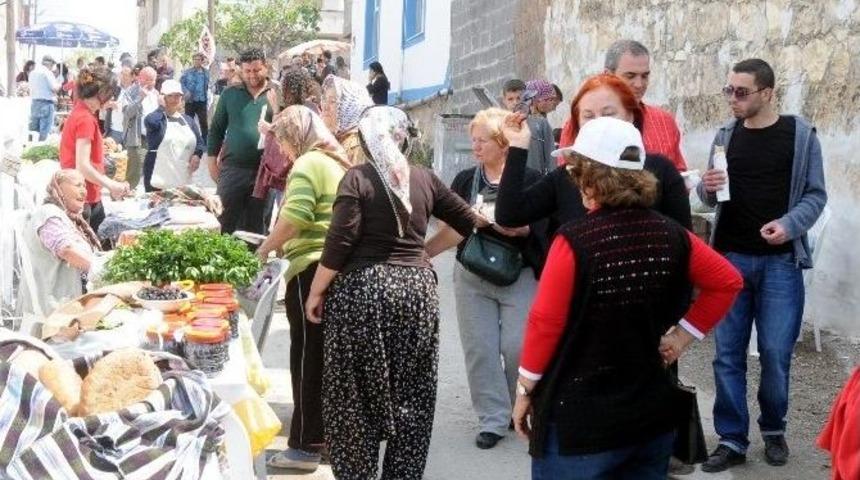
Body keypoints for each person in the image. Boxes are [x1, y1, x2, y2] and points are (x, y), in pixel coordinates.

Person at [509, 115, 743, 479]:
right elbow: (727, 281)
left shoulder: (574, 240)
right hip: (649, 415)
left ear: (589, 177)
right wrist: (682, 335)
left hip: (581, 422)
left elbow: (545, 323)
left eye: (575, 170)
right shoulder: (672, 233)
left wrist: (525, 388)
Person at [304, 106, 480, 479]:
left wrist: (316, 291)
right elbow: (468, 221)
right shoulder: (425, 178)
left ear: (366, 139)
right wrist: (424, 252)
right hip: (416, 292)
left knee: (352, 395)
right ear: (403, 136)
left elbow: (340, 240)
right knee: (413, 393)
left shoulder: (358, 178)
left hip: (362, 291)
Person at [696, 58, 828, 473]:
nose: (732, 99)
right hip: (730, 262)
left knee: (774, 353)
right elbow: (708, 196)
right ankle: (732, 438)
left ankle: (773, 430)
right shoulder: (725, 135)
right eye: (728, 90)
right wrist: (706, 187)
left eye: (742, 92)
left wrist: (789, 225)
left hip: (781, 264)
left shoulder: (800, 136)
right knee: (727, 355)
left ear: (768, 93)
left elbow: (815, 195)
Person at [425, 107, 547, 450]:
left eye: (482, 141)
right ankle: (493, 419)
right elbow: (450, 228)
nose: (475, 147)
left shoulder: (532, 179)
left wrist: (522, 228)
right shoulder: (466, 180)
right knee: (480, 349)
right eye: (473, 140)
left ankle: (518, 408)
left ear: (503, 142)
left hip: (519, 273)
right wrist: (424, 254)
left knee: (518, 345)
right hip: (472, 274)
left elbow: (547, 226)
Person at [255, 106, 350, 472]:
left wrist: (264, 249)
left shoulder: (309, 164)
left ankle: (305, 446)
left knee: (307, 359)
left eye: (282, 142)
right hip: (334, 269)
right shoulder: (335, 161)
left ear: (294, 136)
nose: (283, 150)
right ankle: (325, 439)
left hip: (310, 268)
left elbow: (295, 219)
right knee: (325, 360)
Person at [496, 73, 692, 234]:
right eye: (588, 116)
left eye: (608, 114)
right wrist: (518, 145)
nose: (599, 124)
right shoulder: (566, 176)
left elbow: (686, 247)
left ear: (630, 116)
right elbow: (509, 215)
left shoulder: (661, 171)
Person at [571, 39, 687, 172]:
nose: (639, 84)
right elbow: (566, 180)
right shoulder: (583, 122)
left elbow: (679, 171)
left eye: (644, 76)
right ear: (608, 75)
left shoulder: (665, 122)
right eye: (630, 76)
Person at [207, 48, 276, 234]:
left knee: (256, 228)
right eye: (247, 71)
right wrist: (212, 163)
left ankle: (253, 263)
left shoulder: (277, 94)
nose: (252, 75)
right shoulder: (230, 94)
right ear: (241, 70)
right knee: (223, 222)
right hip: (233, 170)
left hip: (265, 173)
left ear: (266, 68)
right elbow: (216, 130)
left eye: (257, 70)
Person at [20, 170, 103, 317]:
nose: (84, 191)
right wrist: (102, 269)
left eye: (84, 186)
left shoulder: (69, 217)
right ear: (59, 188)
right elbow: (66, 249)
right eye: (78, 185)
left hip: (70, 299)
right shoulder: (49, 214)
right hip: (54, 307)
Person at [59, 67, 130, 233]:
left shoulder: (80, 111)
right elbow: (82, 166)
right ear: (103, 92)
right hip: (85, 197)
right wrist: (111, 185)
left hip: (80, 194)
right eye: (110, 93)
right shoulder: (85, 119)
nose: (111, 97)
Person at [253, 68, 323, 203]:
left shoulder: (294, 111)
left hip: (292, 175)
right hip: (308, 173)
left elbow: (287, 140)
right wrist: (275, 110)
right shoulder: (313, 109)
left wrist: (269, 130)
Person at [142, 79, 204, 191]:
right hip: (158, 178)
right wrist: (161, 107)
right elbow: (150, 122)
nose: (175, 99)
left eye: (178, 96)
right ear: (163, 97)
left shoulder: (188, 120)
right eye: (170, 96)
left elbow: (199, 142)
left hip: (182, 177)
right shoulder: (156, 118)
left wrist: (197, 155)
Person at [320, 74, 373, 165]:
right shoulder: (339, 138)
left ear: (351, 107)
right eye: (324, 100)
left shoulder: (355, 146)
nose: (325, 107)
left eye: (332, 101)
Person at [122, 66, 159, 190]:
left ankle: (150, 193)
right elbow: (127, 113)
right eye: (147, 79)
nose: (150, 83)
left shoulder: (156, 93)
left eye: (153, 80)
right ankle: (126, 193)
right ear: (139, 78)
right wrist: (140, 98)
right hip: (138, 137)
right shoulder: (130, 92)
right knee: (135, 170)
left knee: (152, 169)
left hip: (154, 138)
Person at [524, 80, 557, 174]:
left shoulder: (539, 121)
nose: (552, 104)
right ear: (535, 100)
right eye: (548, 99)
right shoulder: (540, 123)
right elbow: (551, 157)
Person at [28, 55, 61, 141]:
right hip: (46, 104)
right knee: (44, 132)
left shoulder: (33, 72)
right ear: (50, 64)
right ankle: (41, 148)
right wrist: (60, 84)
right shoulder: (47, 73)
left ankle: (30, 149)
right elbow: (54, 88)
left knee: (33, 130)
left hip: (34, 103)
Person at [180, 52, 210, 142]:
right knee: (189, 121)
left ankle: (205, 140)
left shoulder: (206, 72)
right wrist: (186, 91)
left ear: (202, 61)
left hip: (202, 100)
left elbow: (209, 84)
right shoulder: (188, 72)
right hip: (191, 100)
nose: (196, 61)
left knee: (203, 122)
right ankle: (190, 139)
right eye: (194, 60)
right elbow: (181, 82)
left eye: (198, 60)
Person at [106, 66, 134, 145]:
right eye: (122, 75)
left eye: (126, 75)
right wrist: (110, 104)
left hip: (129, 133)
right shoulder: (116, 90)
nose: (123, 77)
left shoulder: (136, 92)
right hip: (114, 130)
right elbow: (104, 104)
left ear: (132, 77)